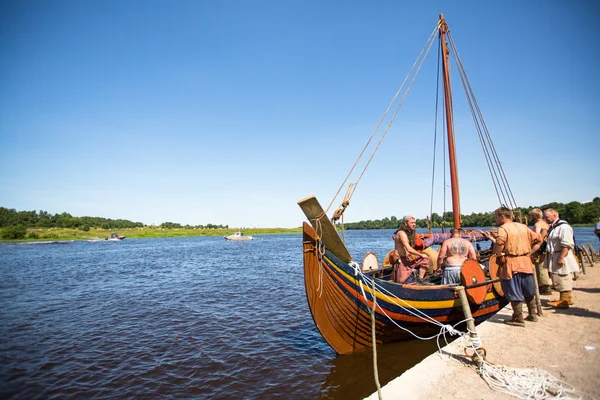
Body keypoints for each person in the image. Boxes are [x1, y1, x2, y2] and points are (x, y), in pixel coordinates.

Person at [493, 206, 541, 326]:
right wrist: (530, 252)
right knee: (528, 289)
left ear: (502, 217)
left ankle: (518, 318)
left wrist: (498, 254)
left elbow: (500, 242)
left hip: (510, 262)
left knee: (512, 288)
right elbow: (539, 239)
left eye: (496, 217)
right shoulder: (523, 226)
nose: (496, 220)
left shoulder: (503, 228)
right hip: (525, 261)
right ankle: (532, 314)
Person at [542, 208, 580, 308]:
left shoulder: (563, 227)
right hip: (554, 255)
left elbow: (566, 244)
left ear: (554, 215)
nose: (544, 218)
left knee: (563, 277)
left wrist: (561, 257)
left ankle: (565, 301)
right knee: (558, 278)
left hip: (560, 255)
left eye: (547, 216)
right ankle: (564, 299)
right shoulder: (554, 227)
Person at [392, 216, 429, 284]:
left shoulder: (411, 233)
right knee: (401, 281)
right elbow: (408, 248)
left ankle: (420, 279)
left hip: (408, 259)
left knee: (425, 260)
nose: (414, 224)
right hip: (401, 260)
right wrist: (421, 254)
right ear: (405, 224)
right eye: (412, 223)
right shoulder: (401, 233)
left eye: (414, 223)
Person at [528, 208, 551, 295]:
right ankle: (544, 284)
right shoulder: (546, 223)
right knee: (544, 265)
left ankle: (544, 286)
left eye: (531, 215)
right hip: (545, 247)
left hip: (540, 248)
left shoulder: (538, 224)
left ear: (534, 216)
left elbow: (537, 236)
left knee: (540, 266)